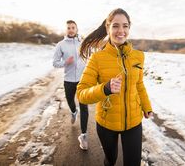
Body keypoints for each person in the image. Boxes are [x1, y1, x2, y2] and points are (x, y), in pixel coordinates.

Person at [76, 8, 153, 166]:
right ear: (108, 28)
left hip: (133, 122)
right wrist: (105, 88)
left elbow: (139, 84)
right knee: (110, 160)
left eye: (125, 26)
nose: (121, 31)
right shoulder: (97, 58)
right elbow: (81, 94)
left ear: (129, 28)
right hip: (106, 124)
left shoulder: (138, 56)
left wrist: (146, 106)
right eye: (116, 26)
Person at [53, 20, 89, 150]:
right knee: (70, 101)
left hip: (83, 81)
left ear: (77, 29)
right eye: (68, 28)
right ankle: (74, 112)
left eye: (73, 27)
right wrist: (65, 62)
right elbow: (55, 63)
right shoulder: (61, 45)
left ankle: (84, 136)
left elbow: (89, 58)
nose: (71, 29)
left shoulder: (83, 43)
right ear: (66, 30)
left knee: (84, 107)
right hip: (68, 80)